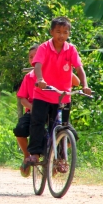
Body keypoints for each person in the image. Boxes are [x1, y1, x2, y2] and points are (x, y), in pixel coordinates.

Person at [25, 17, 91, 170]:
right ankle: (34, 153)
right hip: (43, 94)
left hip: (63, 96)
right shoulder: (43, 48)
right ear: (52, 32)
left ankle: (60, 160)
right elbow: (38, 65)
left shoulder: (71, 49)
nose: (62, 35)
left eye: (65, 32)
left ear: (68, 33)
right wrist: (40, 79)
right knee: (38, 122)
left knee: (63, 127)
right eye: (58, 32)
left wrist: (85, 85)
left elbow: (79, 69)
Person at [14, 44, 80, 177]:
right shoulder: (30, 76)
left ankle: (57, 157)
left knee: (71, 134)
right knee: (20, 129)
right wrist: (33, 108)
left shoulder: (56, 71)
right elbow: (23, 98)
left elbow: (76, 82)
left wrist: (65, 68)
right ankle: (28, 156)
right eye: (30, 57)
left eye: (36, 56)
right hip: (36, 109)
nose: (33, 60)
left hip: (54, 107)